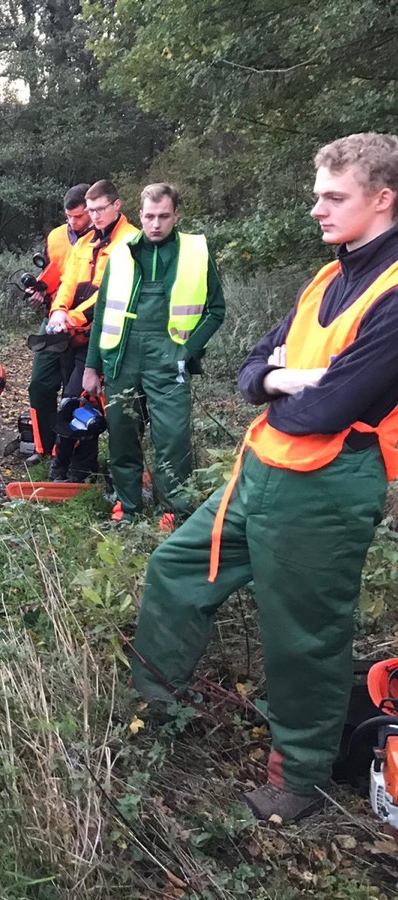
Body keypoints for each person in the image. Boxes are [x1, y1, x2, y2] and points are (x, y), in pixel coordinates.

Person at [132, 133, 398, 823]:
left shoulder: (394, 293)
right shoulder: (328, 277)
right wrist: (280, 378)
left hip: (327, 486)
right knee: (175, 569)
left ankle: (298, 783)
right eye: (318, 195)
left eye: (334, 197)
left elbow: (331, 408)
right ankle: (161, 706)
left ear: (383, 198)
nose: (317, 209)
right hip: (262, 470)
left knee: (304, 637)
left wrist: (285, 390)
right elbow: (252, 368)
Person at [82, 184, 226, 529]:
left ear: (176, 215)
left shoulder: (194, 252)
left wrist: (187, 351)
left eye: (164, 216)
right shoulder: (121, 253)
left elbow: (216, 310)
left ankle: (174, 513)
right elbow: (102, 313)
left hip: (169, 360)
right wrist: (92, 365)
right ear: (139, 214)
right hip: (122, 358)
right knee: (122, 436)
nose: (156, 224)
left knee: (172, 439)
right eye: (149, 216)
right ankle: (127, 508)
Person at [46, 180, 139, 482]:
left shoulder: (131, 241)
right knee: (72, 398)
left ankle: (72, 467)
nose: (95, 216)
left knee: (80, 399)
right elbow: (68, 283)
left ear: (116, 205)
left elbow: (112, 294)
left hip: (109, 336)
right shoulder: (85, 242)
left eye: (100, 209)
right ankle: (74, 466)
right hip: (73, 337)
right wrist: (58, 311)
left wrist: (72, 317)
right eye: (91, 210)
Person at [27, 184, 93, 461]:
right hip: (54, 322)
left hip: (87, 326)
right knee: (40, 385)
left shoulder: (104, 239)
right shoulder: (55, 237)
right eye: (68, 217)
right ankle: (44, 448)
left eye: (78, 216)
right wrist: (40, 292)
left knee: (75, 392)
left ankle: (68, 455)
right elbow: (51, 274)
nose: (73, 222)